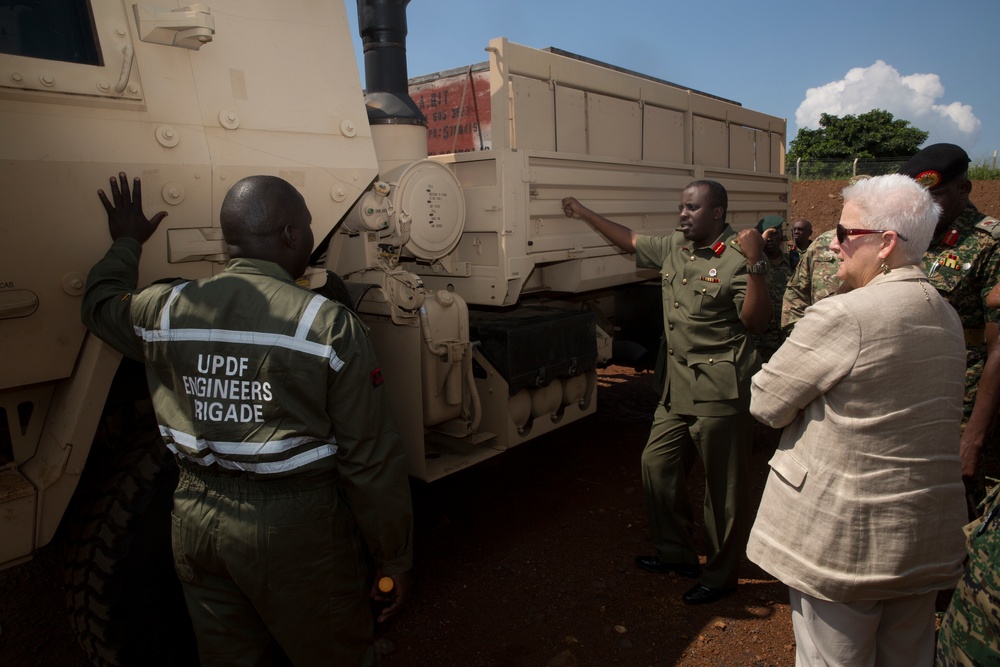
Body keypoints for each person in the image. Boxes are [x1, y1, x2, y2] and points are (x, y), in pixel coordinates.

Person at [81, 172, 414, 666]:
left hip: (195, 521)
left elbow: (100, 305)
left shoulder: (166, 310)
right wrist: (392, 561)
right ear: (290, 235)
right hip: (294, 530)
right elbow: (369, 460)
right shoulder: (326, 325)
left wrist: (127, 243)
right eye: (306, 226)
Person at [747, 174, 968, 666]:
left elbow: (766, 403)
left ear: (887, 243)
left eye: (847, 233)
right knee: (907, 654)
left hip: (844, 540)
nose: (836, 246)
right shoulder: (945, 313)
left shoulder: (844, 315)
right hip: (920, 536)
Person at [562, 180, 771, 605]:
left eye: (692, 208)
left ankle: (720, 574)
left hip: (720, 392)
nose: (682, 214)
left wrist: (755, 264)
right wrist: (583, 212)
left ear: (716, 214)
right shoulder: (676, 247)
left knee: (724, 490)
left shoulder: (735, 257)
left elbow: (756, 322)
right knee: (657, 464)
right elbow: (631, 239)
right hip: (675, 386)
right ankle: (677, 553)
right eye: (681, 207)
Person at [898, 143, 1000, 514]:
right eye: (920, 197)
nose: (927, 205)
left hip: (965, 396)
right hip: (915, 392)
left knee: (968, 507)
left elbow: (999, 348)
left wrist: (973, 438)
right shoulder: (914, 237)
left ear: (964, 189)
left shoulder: (991, 242)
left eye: (936, 194)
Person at [752, 216, 792, 362]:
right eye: (765, 234)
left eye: (774, 233)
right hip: (760, 341)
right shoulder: (752, 266)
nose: (769, 239)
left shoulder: (792, 263)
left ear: (781, 234)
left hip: (786, 340)